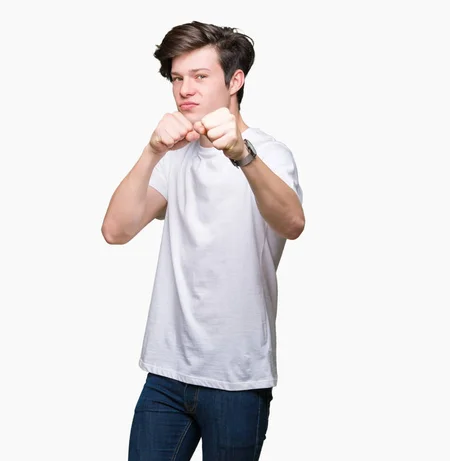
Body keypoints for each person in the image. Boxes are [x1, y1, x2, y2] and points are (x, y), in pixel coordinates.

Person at [101, 20, 305, 461]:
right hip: (167, 371)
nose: (183, 90)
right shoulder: (175, 159)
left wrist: (241, 155)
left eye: (199, 76)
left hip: (238, 377)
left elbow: (291, 223)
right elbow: (115, 232)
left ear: (236, 81)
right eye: (177, 78)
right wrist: (152, 150)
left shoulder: (269, 153)